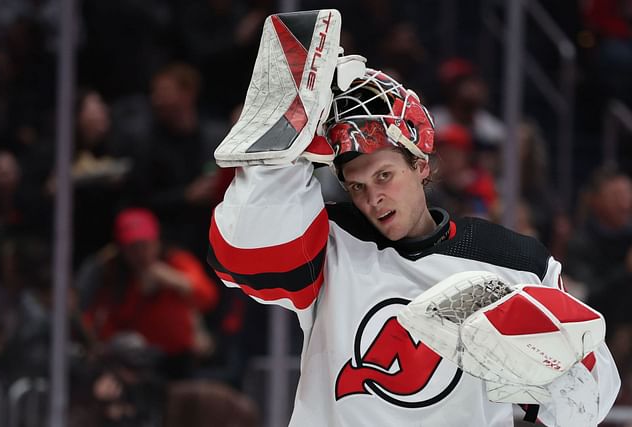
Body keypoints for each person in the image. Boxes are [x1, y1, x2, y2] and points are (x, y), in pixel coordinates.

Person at [207, 11, 620, 426]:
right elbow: (243, 256)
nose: (373, 197)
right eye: (357, 186)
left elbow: (585, 406)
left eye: (385, 175)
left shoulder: (515, 261)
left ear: (421, 165)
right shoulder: (329, 241)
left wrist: (555, 367)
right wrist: (283, 150)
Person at [79, 207, 220, 380]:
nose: (140, 254)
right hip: (135, 363)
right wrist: (139, 293)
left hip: (181, 360)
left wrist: (172, 280)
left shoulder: (176, 261)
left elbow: (208, 297)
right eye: (133, 247)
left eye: (145, 245)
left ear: (157, 242)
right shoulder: (112, 274)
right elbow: (102, 323)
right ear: (122, 249)